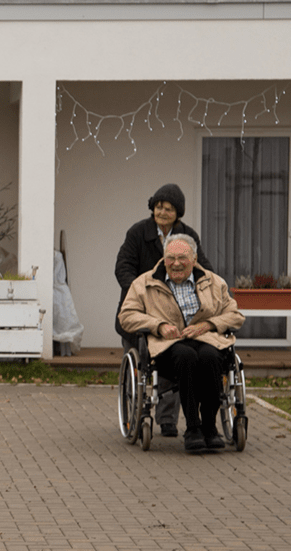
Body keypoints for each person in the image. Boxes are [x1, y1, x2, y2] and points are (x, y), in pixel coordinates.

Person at [119, 234, 244, 452]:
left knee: (211, 357)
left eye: (182, 258)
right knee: (186, 357)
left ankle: (209, 427)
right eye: (171, 257)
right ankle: (193, 428)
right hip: (168, 346)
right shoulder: (144, 283)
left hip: (206, 339)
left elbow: (235, 315)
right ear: (163, 258)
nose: (176, 263)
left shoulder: (214, 282)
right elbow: (127, 315)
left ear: (195, 259)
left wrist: (209, 325)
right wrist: (158, 325)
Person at [114, 183, 213, 438]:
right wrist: (140, 291)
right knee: (141, 360)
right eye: (159, 207)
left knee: (173, 355)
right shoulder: (138, 232)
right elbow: (123, 266)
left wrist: (212, 287)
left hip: (175, 311)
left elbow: (203, 266)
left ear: (178, 212)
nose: (162, 212)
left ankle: (168, 418)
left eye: (168, 208)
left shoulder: (188, 235)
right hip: (143, 308)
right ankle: (134, 414)